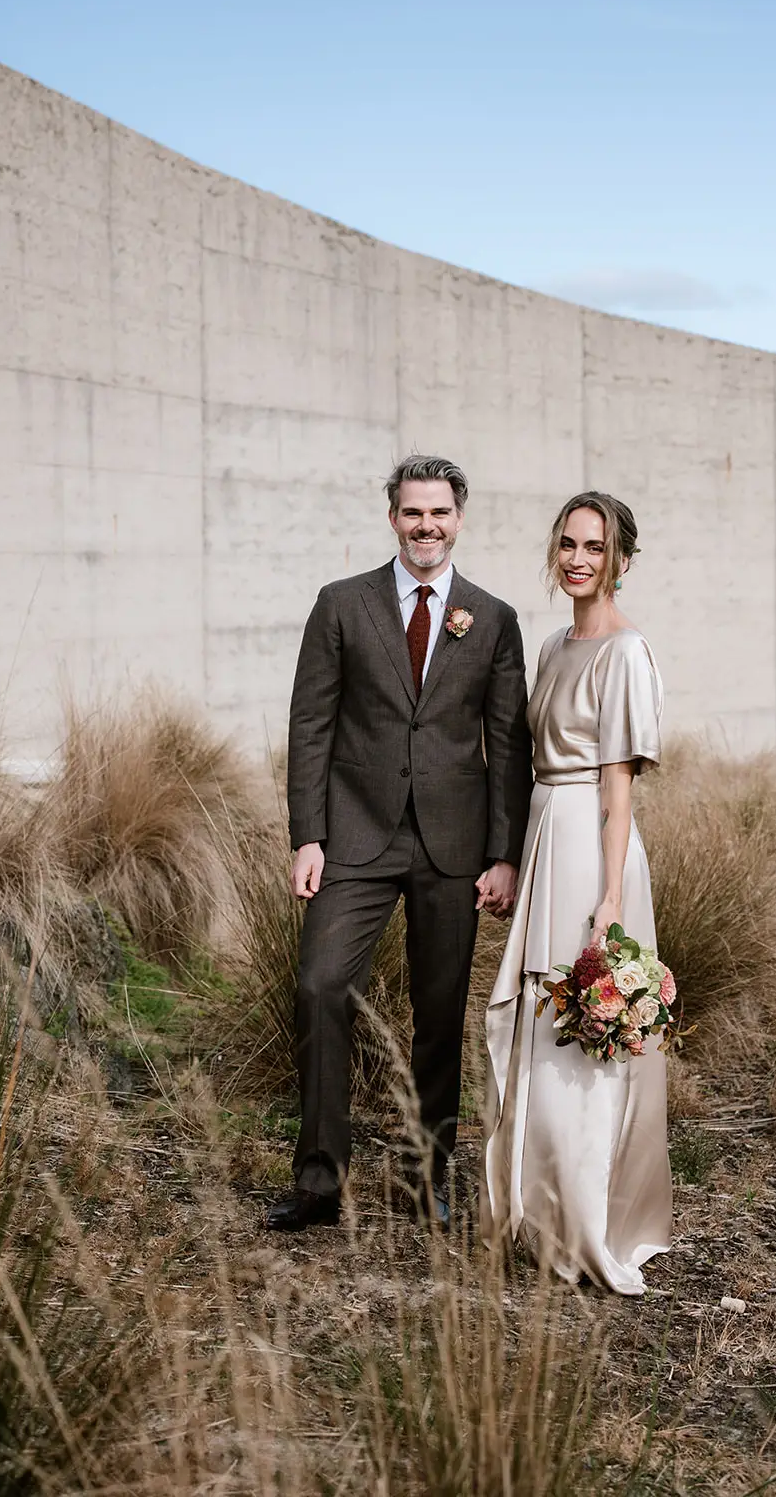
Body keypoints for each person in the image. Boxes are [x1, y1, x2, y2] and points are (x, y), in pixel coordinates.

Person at [268, 453, 533, 1233]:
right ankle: (319, 1184)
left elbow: (507, 747)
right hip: (352, 836)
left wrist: (503, 852)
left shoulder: (493, 619)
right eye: (413, 513)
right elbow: (310, 724)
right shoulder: (341, 605)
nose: (426, 526)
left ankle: (426, 1180)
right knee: (319, 987)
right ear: (393, 518)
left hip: (453, 847)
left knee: (439, 1014)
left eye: (440, 513)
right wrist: (307, 836)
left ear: (460, 519)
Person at [482, 491, 673, 1295]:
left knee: (582, 1028)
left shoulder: (625, 653)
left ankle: (587, 1224)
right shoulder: (556, 642)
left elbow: (616, 785)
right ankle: (536, 1210)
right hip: (543, 829)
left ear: (621, 561)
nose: (577, 559)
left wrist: (608, 899)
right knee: (537, 1019)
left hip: (592, 844)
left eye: (594, 547)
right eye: (567, 543)